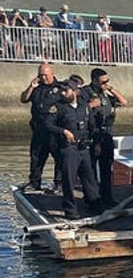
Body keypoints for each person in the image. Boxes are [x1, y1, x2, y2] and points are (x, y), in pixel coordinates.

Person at [44, 80, 103, 219]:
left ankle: (94, 204)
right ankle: (70, 210)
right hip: (69, 148)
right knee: (69, 181)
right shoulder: (57, 108)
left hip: (84, 147)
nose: (63, 93)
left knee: (90, 178)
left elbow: (92, 126)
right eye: (62, 91)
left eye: (66, 90)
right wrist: (63, 131)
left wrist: (97, 143)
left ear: (75, 92)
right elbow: (47, 124)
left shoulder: (84, 107)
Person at [79, 68, 127, 207]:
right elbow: (77, 110)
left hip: (107, 135)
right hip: (93, 134)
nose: (106, 84)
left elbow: (123, 102)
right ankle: (92, 200)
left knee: (107, 169)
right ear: (94, 80)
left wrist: (111, 89)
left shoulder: (106, 94)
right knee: (91, 170)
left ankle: (107, 197)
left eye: (108, 81)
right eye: (103, 82)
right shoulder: (84, 92)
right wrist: (91, 105)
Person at [20, 63, 64, 190]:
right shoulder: (37, 88)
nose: (43, 78)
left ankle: (59, 183)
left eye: (46, 75)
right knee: (36, 158)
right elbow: (23, 99)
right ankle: (35, 182)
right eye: (41, 75)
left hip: (54, 130)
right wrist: (31, 87)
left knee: (59, 158)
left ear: (52, 73)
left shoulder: (60, 88)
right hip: (38, 130)